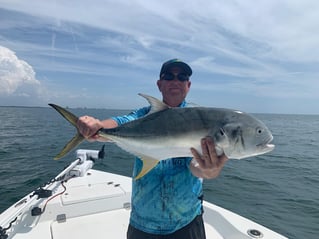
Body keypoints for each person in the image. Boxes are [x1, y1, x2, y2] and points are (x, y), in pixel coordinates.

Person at [77, 59, 229, 239]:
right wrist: (97, 126)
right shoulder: (143, 115)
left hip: (186, 221)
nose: (175, 81)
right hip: (143, 222)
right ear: (159, 84)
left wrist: (209, 171)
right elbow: (120, 122)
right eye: (168, 76)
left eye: (182, 77)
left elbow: (196, 167)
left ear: (188, 85)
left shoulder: (200, 118)